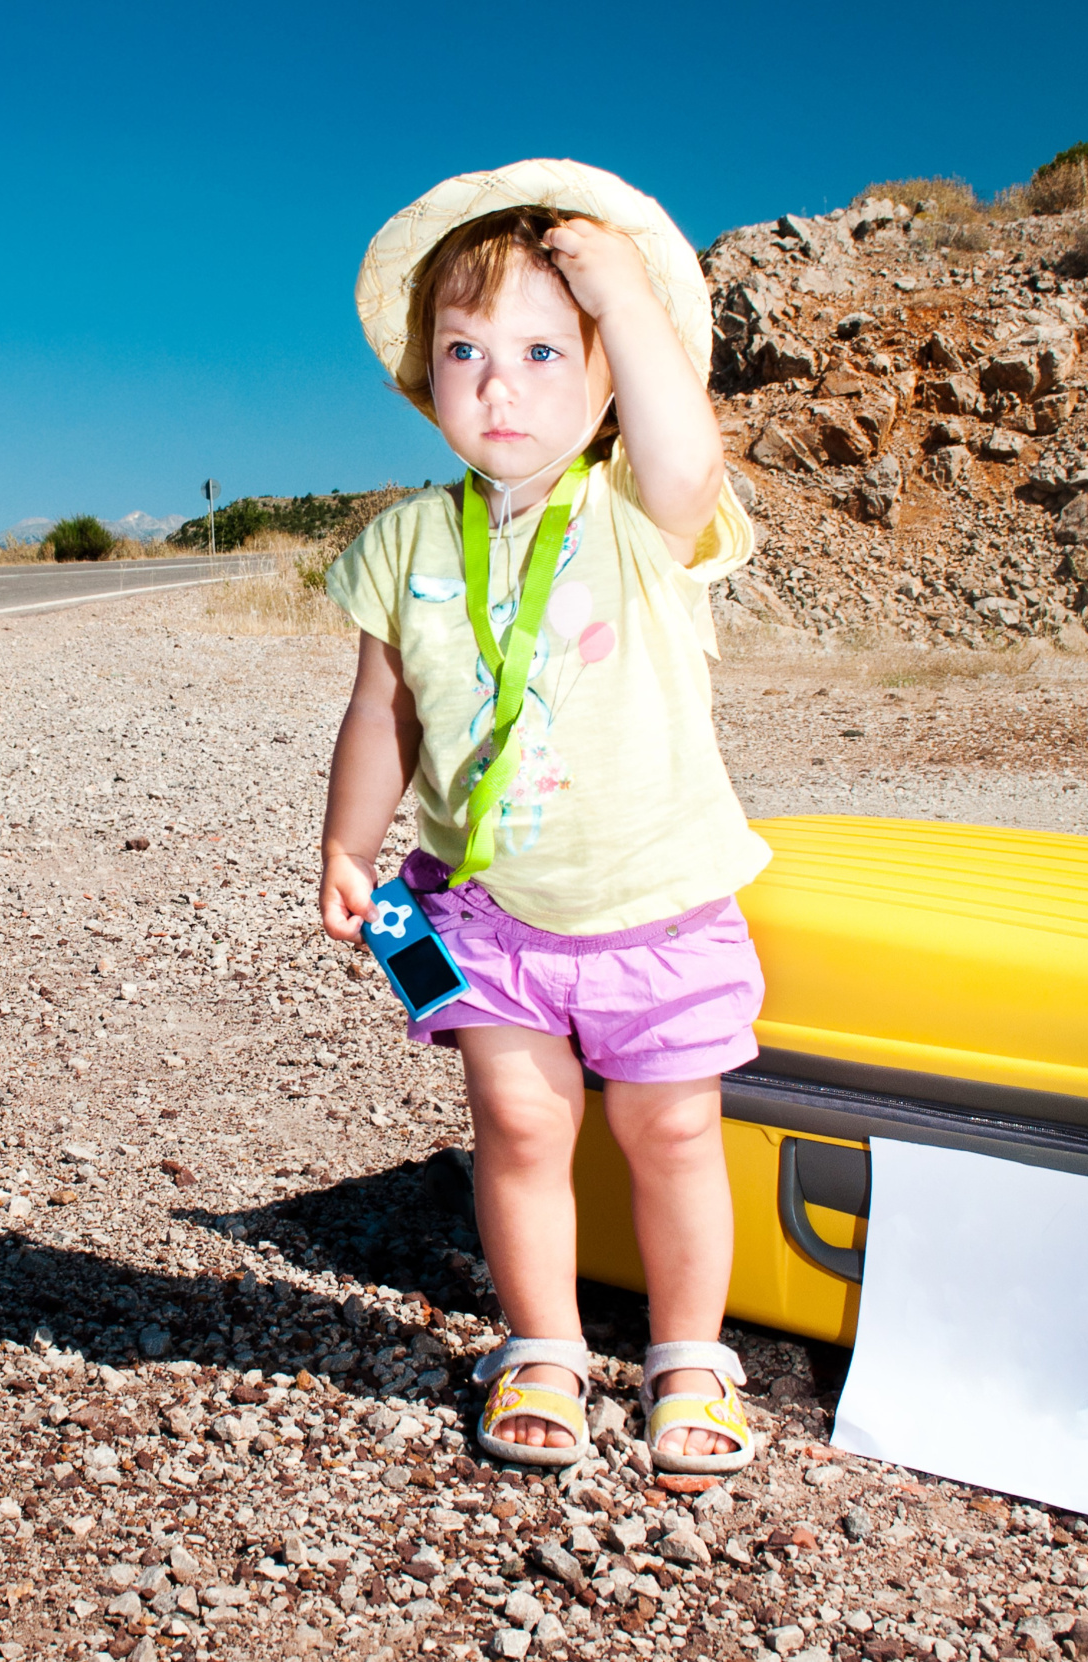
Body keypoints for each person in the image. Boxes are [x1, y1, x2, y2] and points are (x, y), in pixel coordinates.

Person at [318, 160, 770, 1474]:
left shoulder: (639, 515)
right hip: (480, 911)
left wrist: (624, 289)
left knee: (673, 1130)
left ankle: (691, 1355)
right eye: (465, 351)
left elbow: (689, 448)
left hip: (661, 908)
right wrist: (349, 847)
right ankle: (546, 1345)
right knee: (516, 1125)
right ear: (427, 375)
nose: (498, 383)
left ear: (611, 376)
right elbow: (381, 712)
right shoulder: (407, 542)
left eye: (537, 349)